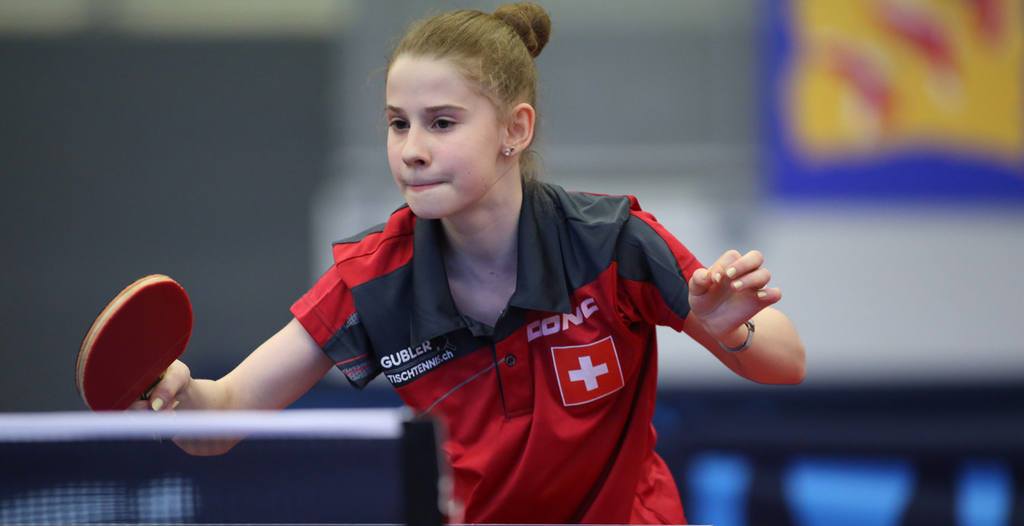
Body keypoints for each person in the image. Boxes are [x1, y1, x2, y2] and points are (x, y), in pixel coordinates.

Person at [134, 3, 805, 524]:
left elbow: (785, 363)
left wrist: (729, 329)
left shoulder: (612, 243)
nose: (412, 150)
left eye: (442, 122)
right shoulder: (374, 280)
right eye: (399, 123)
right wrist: (177, 396)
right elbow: (220, 421)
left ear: (515, 130)